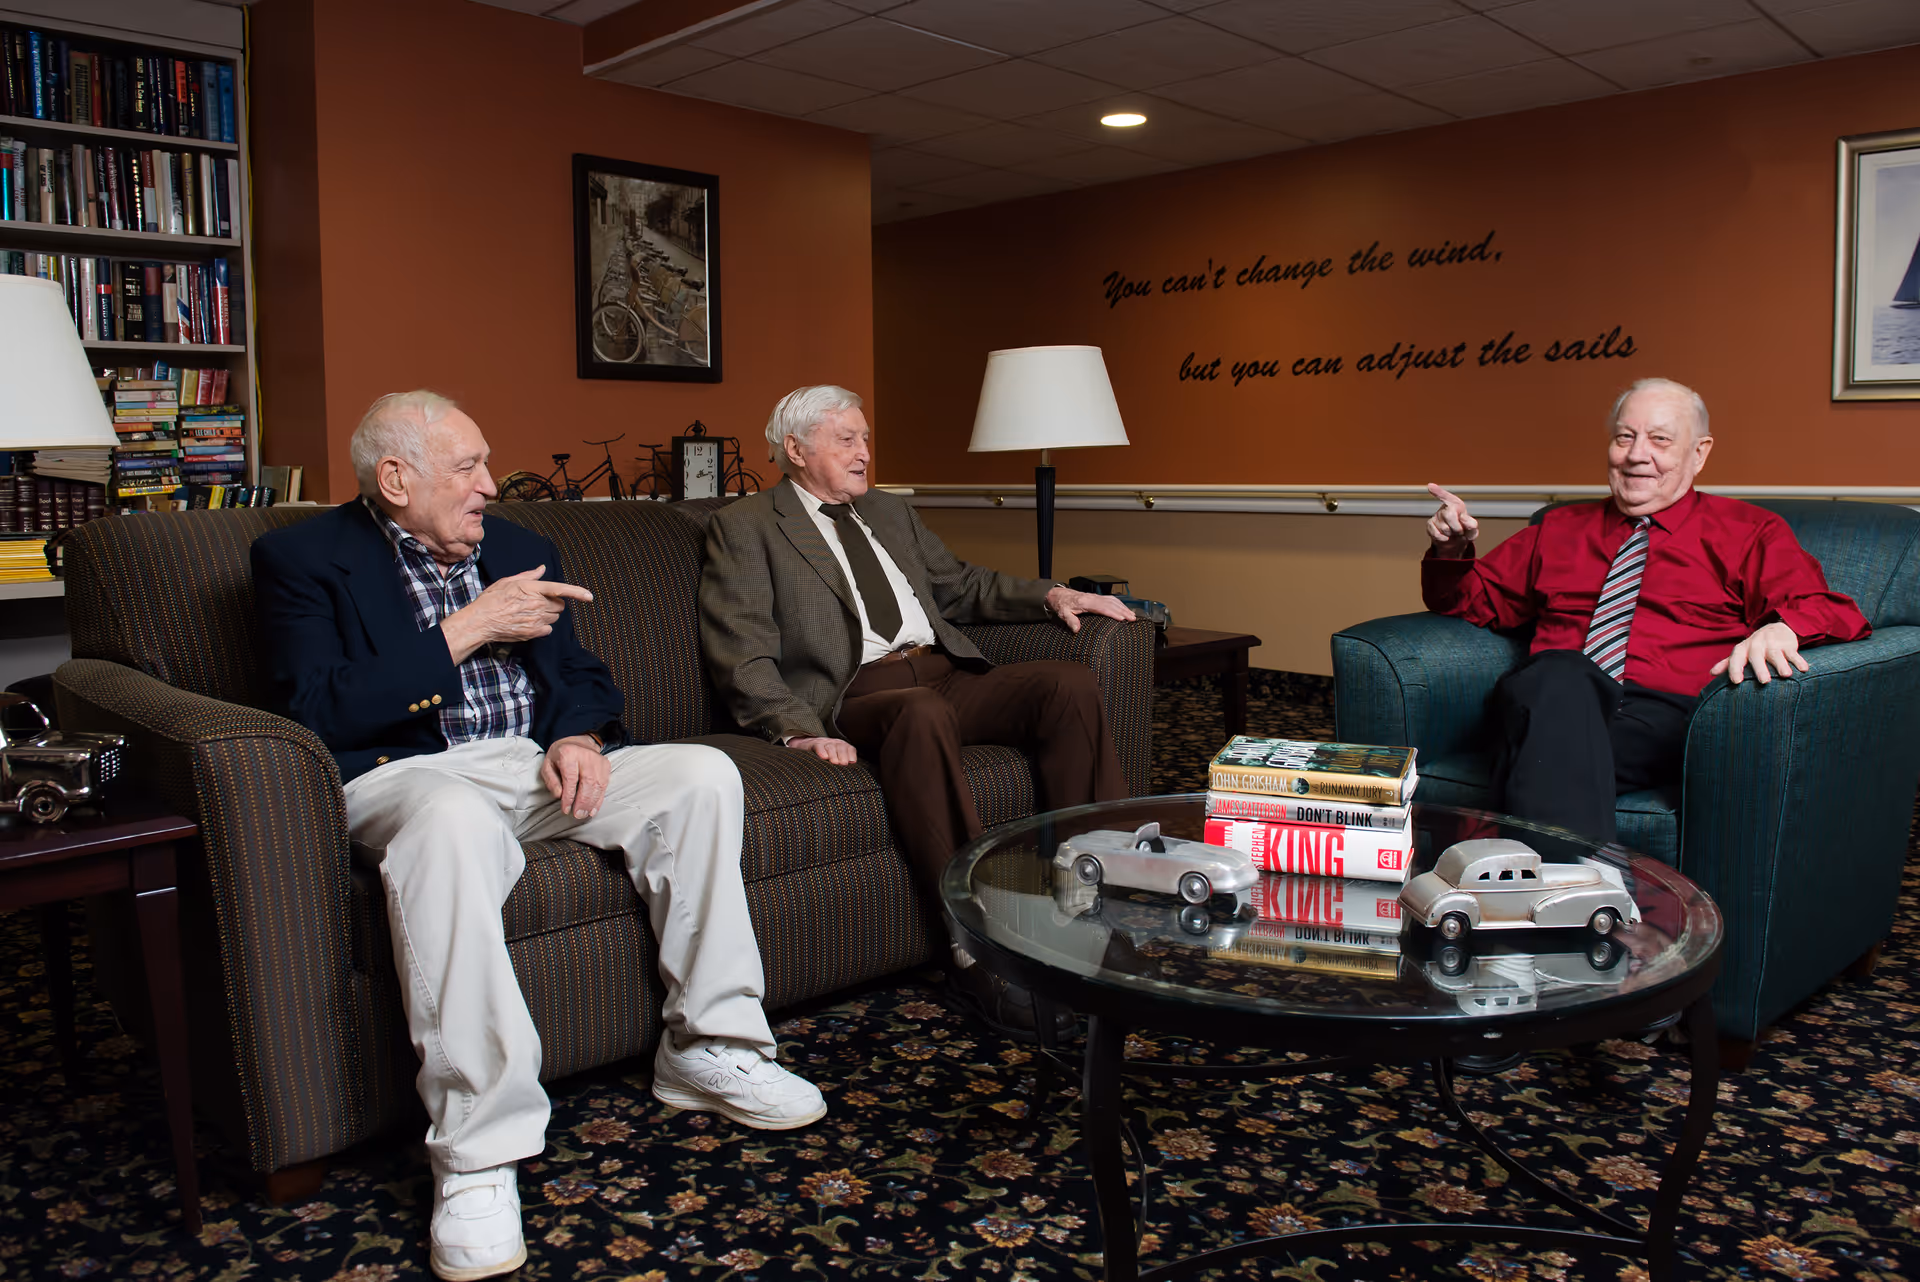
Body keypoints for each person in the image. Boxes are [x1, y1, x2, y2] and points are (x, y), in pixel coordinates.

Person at [253, 391, 824, 1282]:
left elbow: (580, 674)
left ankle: (711, 1045)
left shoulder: (519, 548)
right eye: (467, 467)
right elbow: (320, 711)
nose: (489, 485)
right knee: (448, 823)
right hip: (406, 776)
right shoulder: (299, 557)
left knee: (701, 776)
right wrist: (473, 624)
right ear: (395, 478)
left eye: (486, 463)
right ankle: (478, 1152)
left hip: (531, 765)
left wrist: (578, 736)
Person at [699, 385, 1136, 1036]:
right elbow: (744, 657)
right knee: (920, 714)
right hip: (859, 692)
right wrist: (795, 730)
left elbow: (962, 586)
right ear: (795, 449)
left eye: (866, 438)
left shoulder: (888, 511)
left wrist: (1054, 593)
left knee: (1065, 684)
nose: (864, 452)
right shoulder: (746, 527)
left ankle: (1095, 888)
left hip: (940, 670)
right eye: (846, 439)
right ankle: (974, 938)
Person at [1422, 377, 1871, 844]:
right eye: (1624, 437)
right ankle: (1583, 888)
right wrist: (1452, 551)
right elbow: (1465, 601)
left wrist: (1783, 628)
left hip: (1660, 720)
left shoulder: (1750, 531)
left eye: (1660, 439)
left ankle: (1559, 881)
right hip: (1544, 699)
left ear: (1698, 453)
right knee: (1558, 675)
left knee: (1543, 739)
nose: (1637, 455)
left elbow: (1830, 609)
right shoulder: (1558, 528)